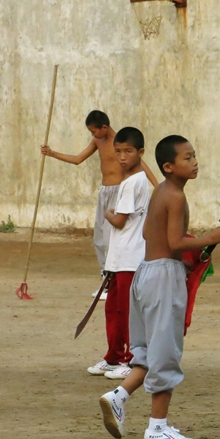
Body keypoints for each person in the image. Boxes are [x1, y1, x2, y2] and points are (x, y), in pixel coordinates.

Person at [99, 135, 220, 439]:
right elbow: (175, 242)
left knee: (146, 350)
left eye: (194, 156)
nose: (194, 162)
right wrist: (211, 237)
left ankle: (118, 395)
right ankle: (157, 426)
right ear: (169, 166)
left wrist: (181, 260)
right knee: (166, 351)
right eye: (187, 158)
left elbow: (149, 233)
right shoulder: (176, 197)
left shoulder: (160, 191)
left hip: (147, 271)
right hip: (162, 277)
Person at [41, 110, 158, 280]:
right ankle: (106, 276)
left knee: (113, 236)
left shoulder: (120, 142)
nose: (93, 134)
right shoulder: (98, 141)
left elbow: (142, 165)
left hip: (119, 191)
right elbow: (77, 159)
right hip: (105, 192)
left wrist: (158, 187)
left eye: (93, 131)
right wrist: (52, 153)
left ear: (104, 127)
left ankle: (114, 277)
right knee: (100, 238)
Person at [86, 128, 151, 378]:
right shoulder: (134, 181)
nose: (122, 157)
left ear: (140, 153)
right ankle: (113, 357)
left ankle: (129, 359)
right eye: (118, 152)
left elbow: (120, 220)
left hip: (129, 259)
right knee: (113, 309)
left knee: (125, 311)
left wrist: (107, 214)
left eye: (128, 151)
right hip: (119, 259)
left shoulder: (133, 182)